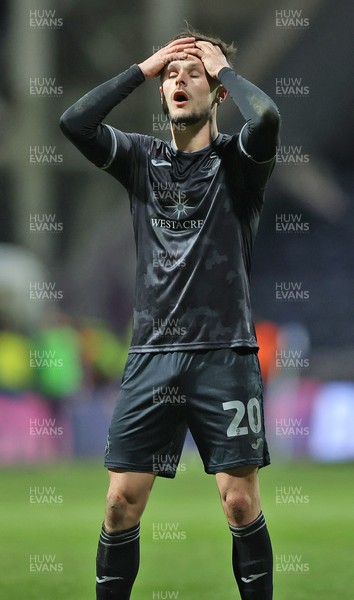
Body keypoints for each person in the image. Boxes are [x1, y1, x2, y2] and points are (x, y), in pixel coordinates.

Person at [60, 26, 280, 600]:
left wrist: (224, 66)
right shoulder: (140, 159)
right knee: (118, 504)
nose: (181, 81)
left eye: (195, 74)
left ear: (218, 92)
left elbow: (269, 119)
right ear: (162, 90)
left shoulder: (240, 163)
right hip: (152, 357)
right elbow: (75, 123)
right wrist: (144, 66)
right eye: (172, 76)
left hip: (224, 355)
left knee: (238, 502)